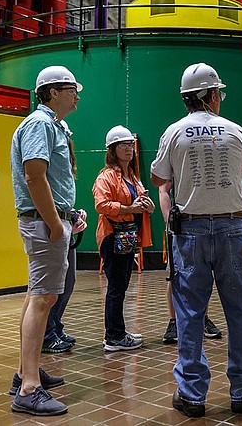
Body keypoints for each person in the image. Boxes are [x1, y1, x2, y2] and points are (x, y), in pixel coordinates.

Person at [151, 62, 242, 418]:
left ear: (186, 98)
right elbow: (238, 172)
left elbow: (159, 178)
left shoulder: (173, 132)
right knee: (241, 311)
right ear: (213, 95)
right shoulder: (236, 131)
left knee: (189, 313)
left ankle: (191, 394)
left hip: (191, 232)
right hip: (233, 230)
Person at [8, 65, 81, 416]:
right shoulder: (40, 125)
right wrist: (55, 224)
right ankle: (29, 389)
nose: (76, 94)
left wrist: (67, 215)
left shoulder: (49, 125)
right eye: (71, 89)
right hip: (43, 224)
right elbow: (35, 176)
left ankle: (26, 371)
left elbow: (48, 178)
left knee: (36, 294)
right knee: (43, 298)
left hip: (47, 221)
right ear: (52, 92)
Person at [93, 125, 155, 352]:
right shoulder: (107, 176)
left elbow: (140, 204)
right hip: (113, 236)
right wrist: (130, 207)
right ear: (113, 149)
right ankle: (113, 337)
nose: (129, 149)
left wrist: (147, 206)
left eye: (130, 145)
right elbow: (101, 205)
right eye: (123, 145)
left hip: (128, 236)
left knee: (121, 285)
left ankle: (118, 332)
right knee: (116, 287)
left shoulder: (132, 176)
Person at [160, 181, 223, 344]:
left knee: (204, 273)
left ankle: (204, 319)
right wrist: (170, 222)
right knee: (174, 274)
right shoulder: (176, 158)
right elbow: (163, 190)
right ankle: (173, 320)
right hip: (181, 225)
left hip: (207, 223)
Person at [42, 120, 85, 354]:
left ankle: (55, 327)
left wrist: (73, 216)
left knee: (66, 285)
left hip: (65, 225)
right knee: (49, 289)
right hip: (55, 227)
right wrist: (58, 225)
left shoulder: (65, 165)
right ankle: (47, 335)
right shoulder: (49, 158)